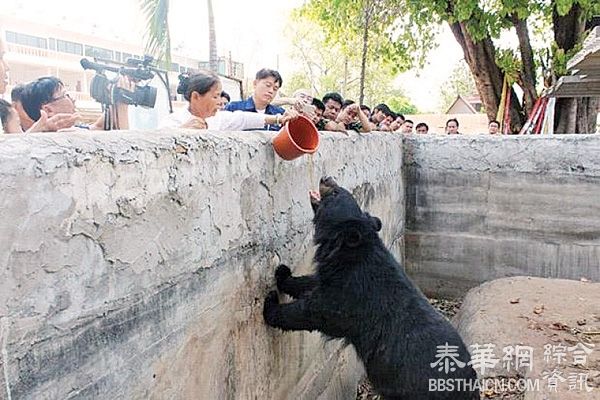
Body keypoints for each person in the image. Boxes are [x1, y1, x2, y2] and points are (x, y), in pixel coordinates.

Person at [160, 71, 297, 130]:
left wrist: (278, 119)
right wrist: (181, 132)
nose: (219, 102)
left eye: (220, 96)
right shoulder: (172, 122)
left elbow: (243, 118)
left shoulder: (218, 119)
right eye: (215, 96)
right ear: (196, 97)